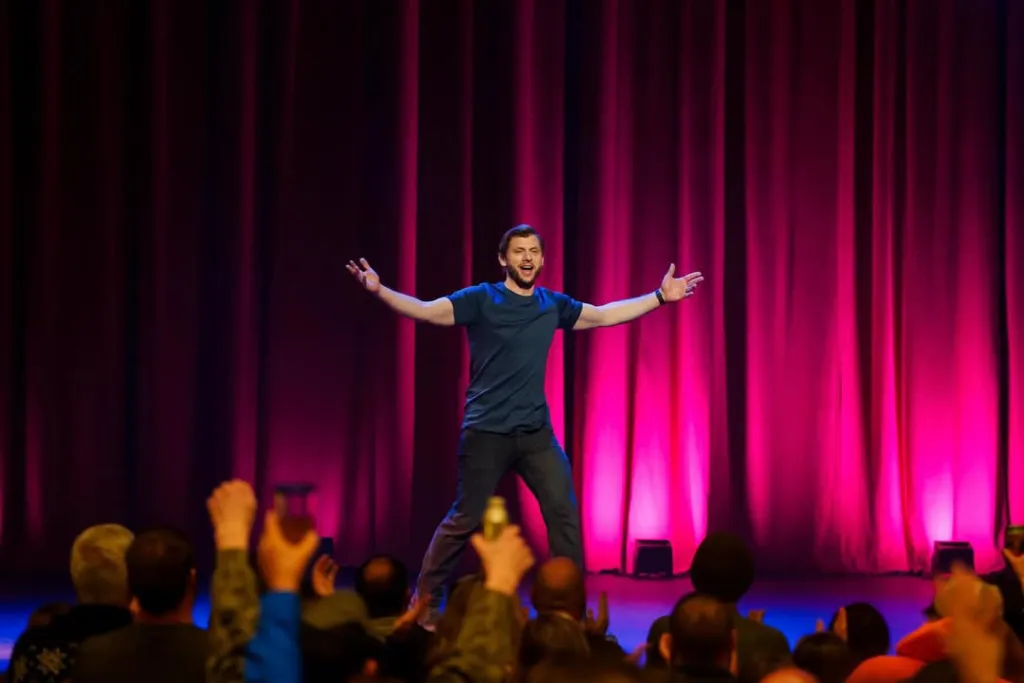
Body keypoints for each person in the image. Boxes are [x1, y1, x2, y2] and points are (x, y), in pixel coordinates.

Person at [347, 223, 703, 626]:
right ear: (504, 259)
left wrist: (659, 297)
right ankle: (424, 603)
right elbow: (427, 311)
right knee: (465, 517)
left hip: (535, 434)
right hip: (486, 432)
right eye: (519, 251)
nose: (528, 258)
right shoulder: (481, 299)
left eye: (534, 250)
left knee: (563, 515)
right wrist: (379, 291)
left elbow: (603, 315)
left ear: (542, 258)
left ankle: (567, 613)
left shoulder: (550, 305)